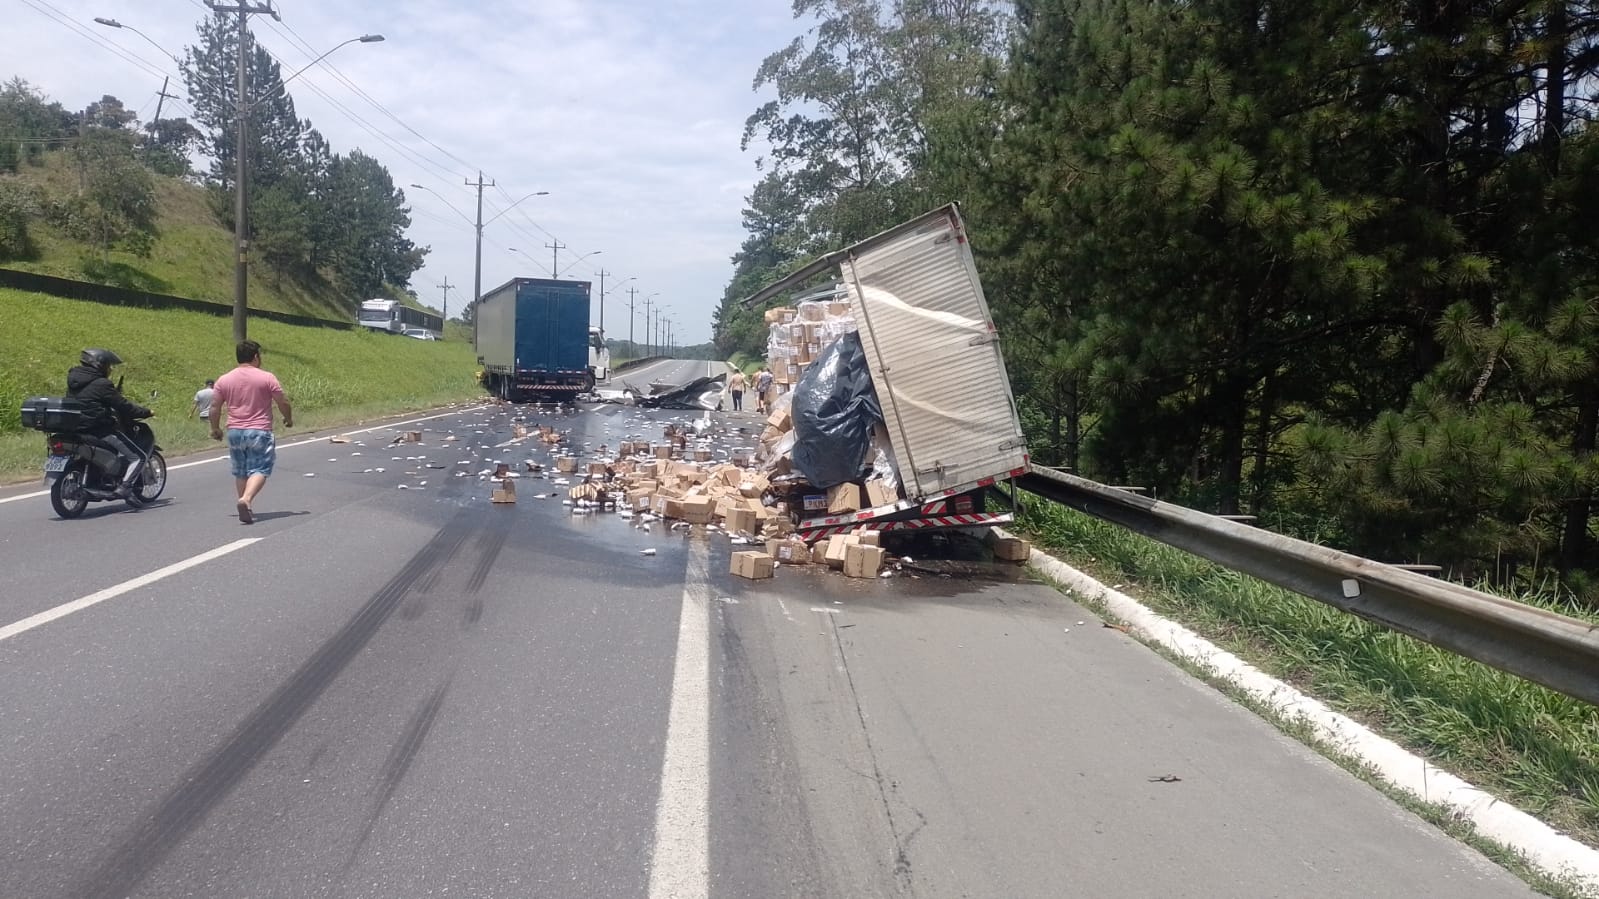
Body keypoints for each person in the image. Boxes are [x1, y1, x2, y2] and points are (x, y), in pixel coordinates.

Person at [210, 340, 292, 524]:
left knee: (241, 471)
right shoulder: (266, 377)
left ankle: (246, 504)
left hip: (235, 432)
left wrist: (215, 428)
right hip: (258, 430)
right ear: (256, 357)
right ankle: (246, 500)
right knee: (261, 468)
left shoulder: (224, 379)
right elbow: (282, 402)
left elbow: (214, 407)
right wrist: (288, 418)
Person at [66, 348, 152, 498]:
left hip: (75, 429)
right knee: (139, 457)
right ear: (99, 365)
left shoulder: (74, 381)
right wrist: (146, 412)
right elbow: (124, 406)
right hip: (99, 430)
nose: (110, 369)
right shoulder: (102, 384)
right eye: (109, 365)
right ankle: (125, 487)